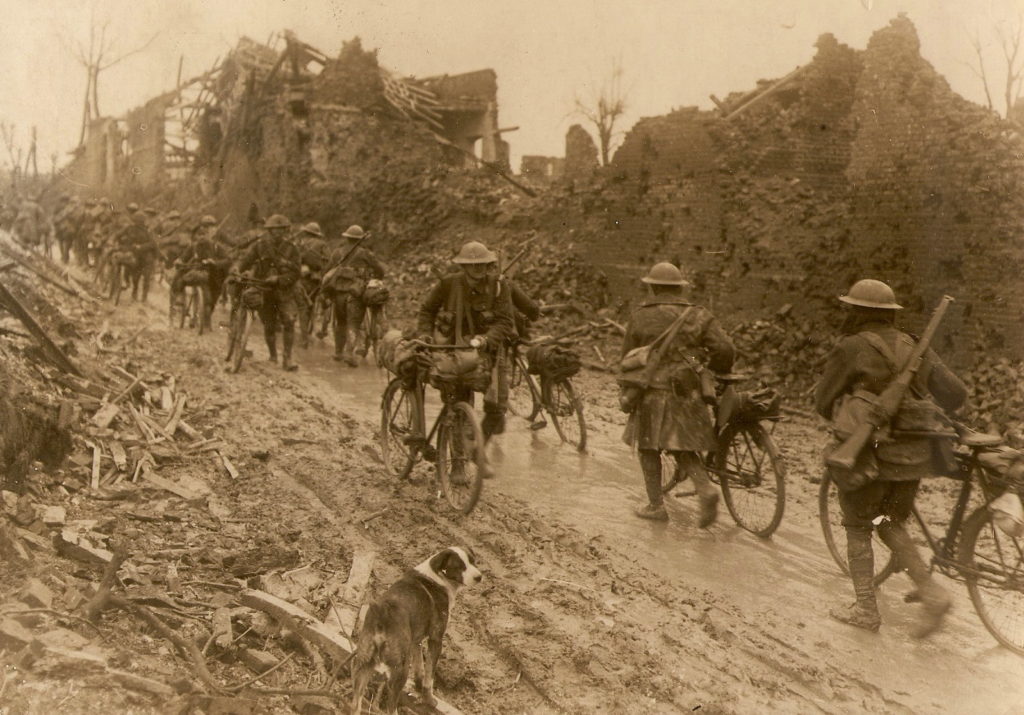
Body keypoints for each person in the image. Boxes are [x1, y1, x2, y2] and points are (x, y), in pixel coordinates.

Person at [815, 278, 967, 636]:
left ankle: (866, 610)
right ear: (889, 315)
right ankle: (931, 592)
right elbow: (955, 394)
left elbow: (823, 403)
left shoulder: (850, 346)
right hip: (913, 455)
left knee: (857, 525)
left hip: (869, 453)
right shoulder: (916, 345)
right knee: (890, 521)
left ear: (857, 312)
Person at [620, 262, 734, 524]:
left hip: (652, 391)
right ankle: (705, 488)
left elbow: (627, 358)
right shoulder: (699, 315)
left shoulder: (640, 316)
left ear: (653, 287)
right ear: (679, 288)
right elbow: (725, 349)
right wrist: (707, 366)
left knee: (648, 447)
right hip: (688, 391)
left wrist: (625, 391)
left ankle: (655, 506)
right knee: (683, 447)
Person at [416, 240, 516, 439]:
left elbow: (505, 321)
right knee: (457, 404)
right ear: (463, 266)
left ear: (488, 265)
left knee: (497, 407)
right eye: (472, 265)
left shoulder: (498, 286)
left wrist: (486, 339)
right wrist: (425, 334)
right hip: (455, 353)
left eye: (481, 264)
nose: (478, 269)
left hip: (489, 353)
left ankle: (477, 449)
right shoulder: (448, 284)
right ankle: (456, 462)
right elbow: (427, 310)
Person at [235, 214, 302, 371]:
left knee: (289, 321)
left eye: (281, 230)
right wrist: (238, 269)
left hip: (284, 290)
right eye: (274, 230)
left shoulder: (292, 249)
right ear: (269, 231)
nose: (278, 233)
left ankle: (288, 358)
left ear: (286, 231)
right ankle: (273, 354)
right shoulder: (260, 246)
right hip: (264, 289)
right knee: (269, 325)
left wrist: (279, 279)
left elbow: (296, 272)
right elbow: (246, 260)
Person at [322, 225, 384, 366]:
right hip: (355, 294)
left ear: (347, 237)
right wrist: (376, 278)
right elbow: (379, 270)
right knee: (353, 324)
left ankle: (338, 352)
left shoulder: (337, 253)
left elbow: (327, 271)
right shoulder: (365, 254)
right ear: (360, 239)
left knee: (341, 322)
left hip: (338, 294)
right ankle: (350, 354)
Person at [294, 221, 328, 348]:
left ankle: (304, 338)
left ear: (306, 233)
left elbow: (295, 259)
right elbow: (327, 261)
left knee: (302, 307)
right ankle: (309, 330)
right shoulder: (322, 244)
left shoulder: (300, 244)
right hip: (316, 280)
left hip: (303, 278)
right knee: (311, 304)